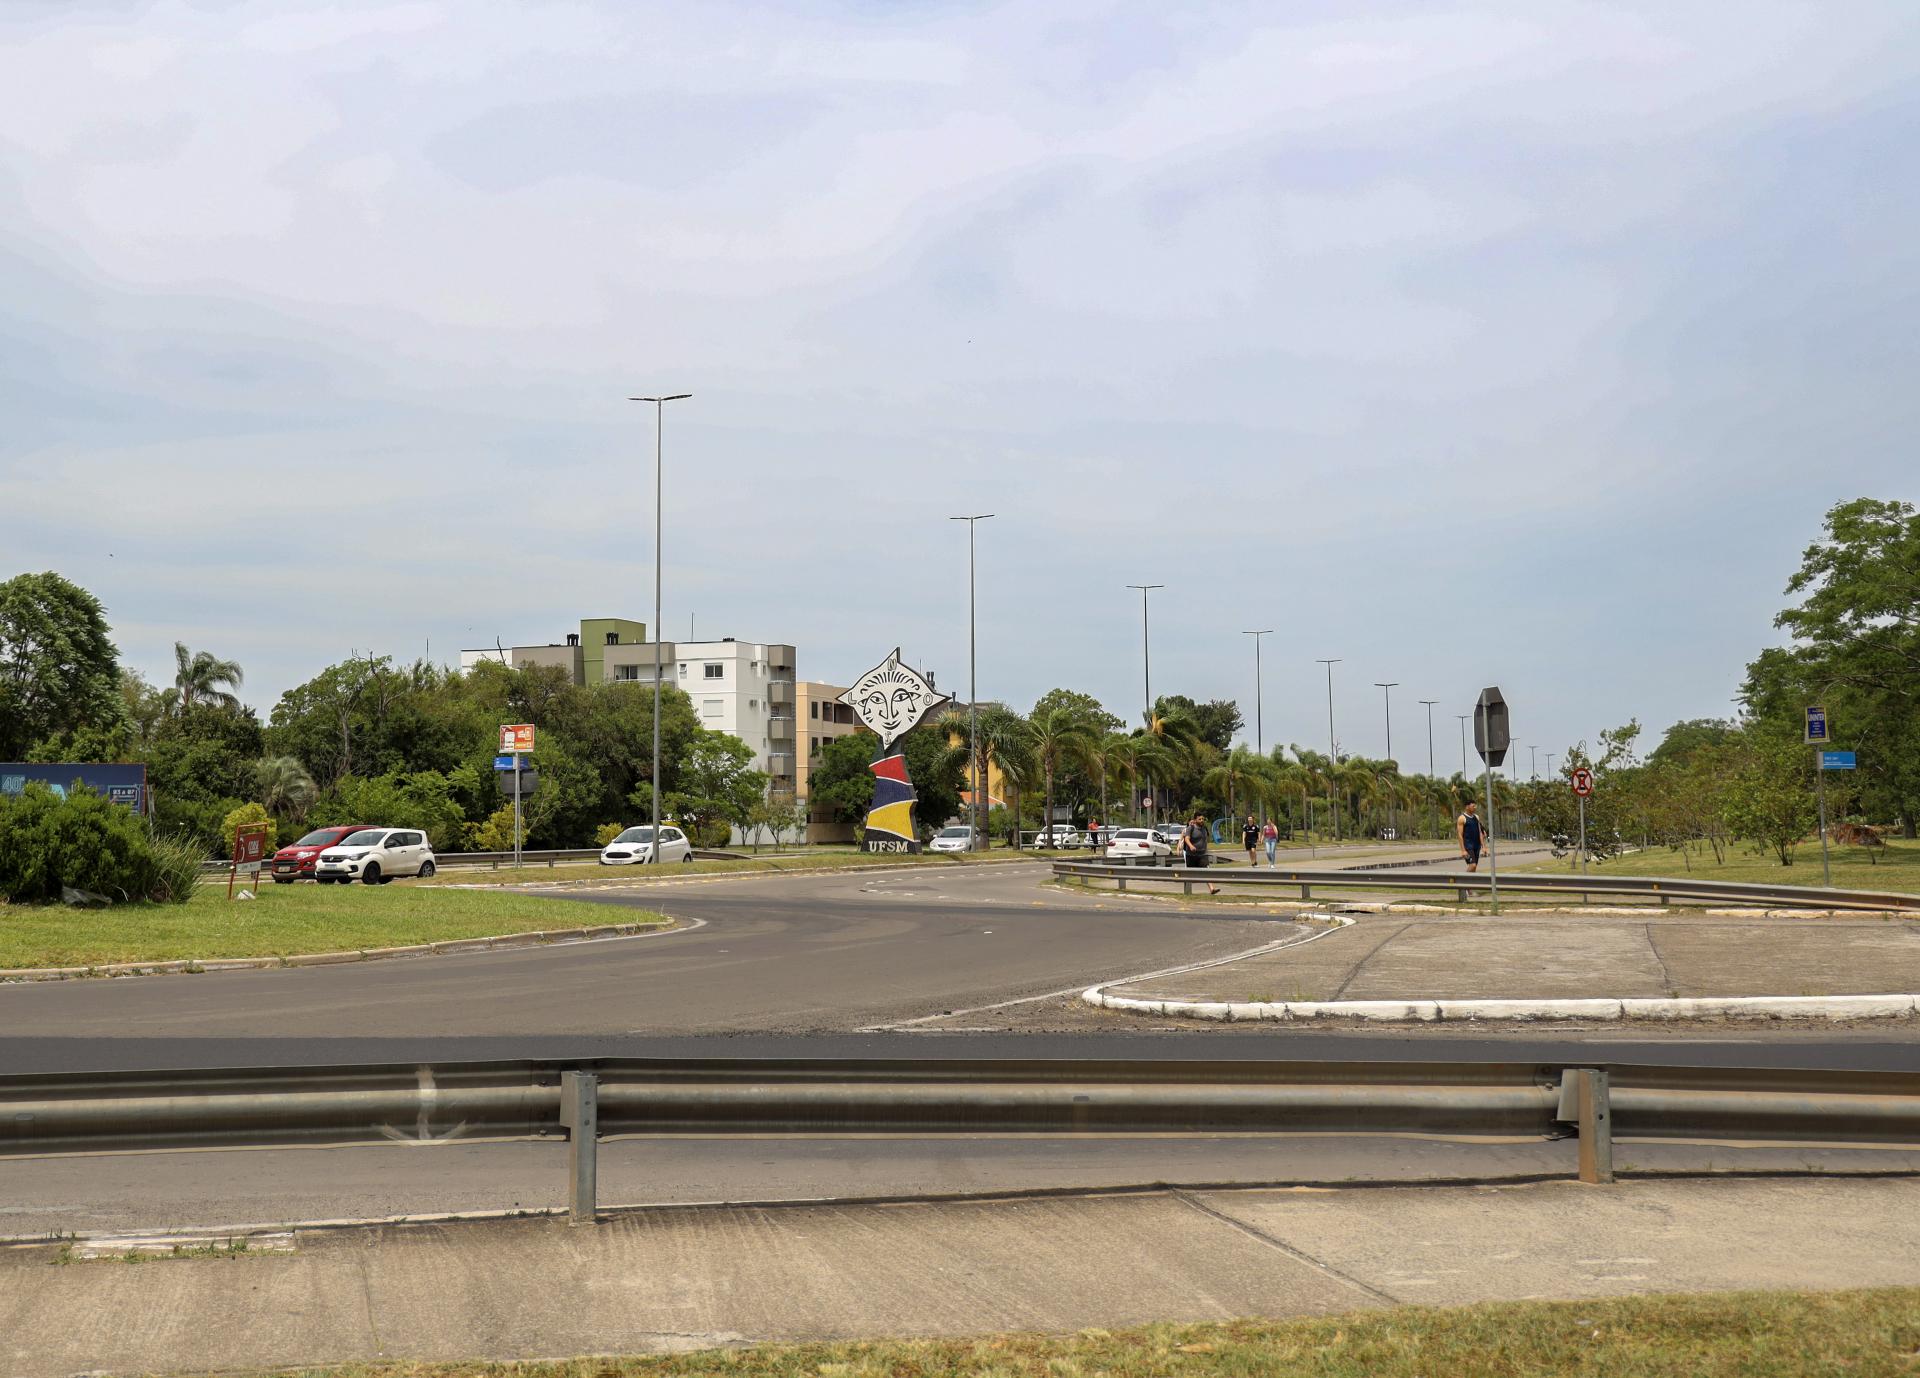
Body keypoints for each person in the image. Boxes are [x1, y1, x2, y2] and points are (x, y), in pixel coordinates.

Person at [1180, 812, 1219, 894]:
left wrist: (1205, 849)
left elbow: (1205, 840)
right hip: (1191, 855)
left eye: (1203, 819)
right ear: (1195, 820)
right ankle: (1187, 891)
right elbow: (1187, 839)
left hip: (1202, 855)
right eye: (1200, 819)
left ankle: (1212, 889)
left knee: (1206, 871)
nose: (1202, 820)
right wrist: (1190, 846)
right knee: (1190, 874)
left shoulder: (1204, 828)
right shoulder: (1191, 828)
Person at [1457, 800, 1488, 872]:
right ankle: (1463, 880)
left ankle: (1469, 882)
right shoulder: (1462, 818)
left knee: (1474, 868)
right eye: (1473, 806)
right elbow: (1459, 835)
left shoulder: (1476, 817)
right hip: (1468, 846)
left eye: (1475, 806)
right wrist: (1463, 850)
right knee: (1472, 865)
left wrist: (1484, 847)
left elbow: (1480, 832)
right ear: (1467, 807)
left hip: (1477, 846)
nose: (1475, 807)